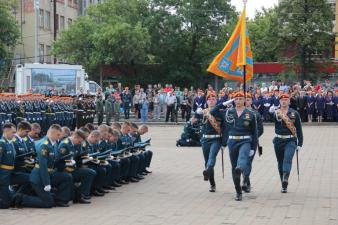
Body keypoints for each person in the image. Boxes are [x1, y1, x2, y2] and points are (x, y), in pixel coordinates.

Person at [17, 124, 73, 208]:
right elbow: (43, 166)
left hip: (49, 174)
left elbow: (56, 160)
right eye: (57, 135)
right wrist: (47, 183)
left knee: (66, 177)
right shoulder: (44, 145)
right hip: (39, 178)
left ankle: (61, 200)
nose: (59, 137)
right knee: (48, 203)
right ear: (51, 133)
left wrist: (67, 163)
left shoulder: (54, 144)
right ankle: (21, 198)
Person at [224, 92, 258, 201]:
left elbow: (255, 133)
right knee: (234, 168)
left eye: (241, 98)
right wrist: (223, 143)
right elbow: (224, 129)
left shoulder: (250, 113)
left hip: (245, 141)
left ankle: (240, 168)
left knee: (242, 157)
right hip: (232, 141)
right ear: (233, 100)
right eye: (236, 98)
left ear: (244, 100)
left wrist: (253, 147)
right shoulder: (229, 112)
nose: (238, 100)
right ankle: (238, 191)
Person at [269, 93, 303, 193]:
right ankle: (283, 184)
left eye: (286, 100)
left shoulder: (294, 113)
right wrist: (270, 112)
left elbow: (299, 130)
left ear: (289, 101)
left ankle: (285, 177)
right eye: (282, 100)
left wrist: (300, 143)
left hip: (291, 140)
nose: (284, 101)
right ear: (279, 101)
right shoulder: (276, 112)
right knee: (280, 162)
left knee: (287, 159)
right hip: (278, 140)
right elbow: (270, 120)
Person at [195, 93, 228, 193]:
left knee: (212, 157)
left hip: (216, 139)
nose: (212, 101)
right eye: (209, 99)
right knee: (207, 161)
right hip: (205, 139)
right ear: (207, 101)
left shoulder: (221, 112)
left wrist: (224, 143)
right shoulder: (204, 111)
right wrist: (197, 112)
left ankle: (208, 170)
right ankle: (212, 183)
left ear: (216, 101)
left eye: (214, 99)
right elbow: (196, 118)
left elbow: (225, 128)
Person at [56, 130, 95, 204]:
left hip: (73, 168)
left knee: (90, 172)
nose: (80, 143)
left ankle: (80, 195)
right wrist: (67, 168)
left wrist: (85, 159)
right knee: (86, 173)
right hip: (64, 169)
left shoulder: (77, 144)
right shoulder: (64, 144)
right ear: (75, 137)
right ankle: (77, 196)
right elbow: (59, 162)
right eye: (79, 141)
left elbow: (77, 157)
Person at [242, 93, 264, 193]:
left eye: (249, 99)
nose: (247, 101)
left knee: (248, 162)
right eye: (245, 99)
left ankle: (245, 181)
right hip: (240, 141)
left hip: (252, 142)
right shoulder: (238, 112)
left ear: (251, 101)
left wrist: (254, 137)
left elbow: (261, 129)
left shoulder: (256, 114)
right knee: (242, 162)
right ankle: (247, 181)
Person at [0, 123, 17, 208]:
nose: (14, 134)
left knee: (9, 201)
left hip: (10, 173)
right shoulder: (1, 143)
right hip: (3, 174)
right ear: (6, 131)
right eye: (13, 132)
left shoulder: (10, 143)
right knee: (5, 204)